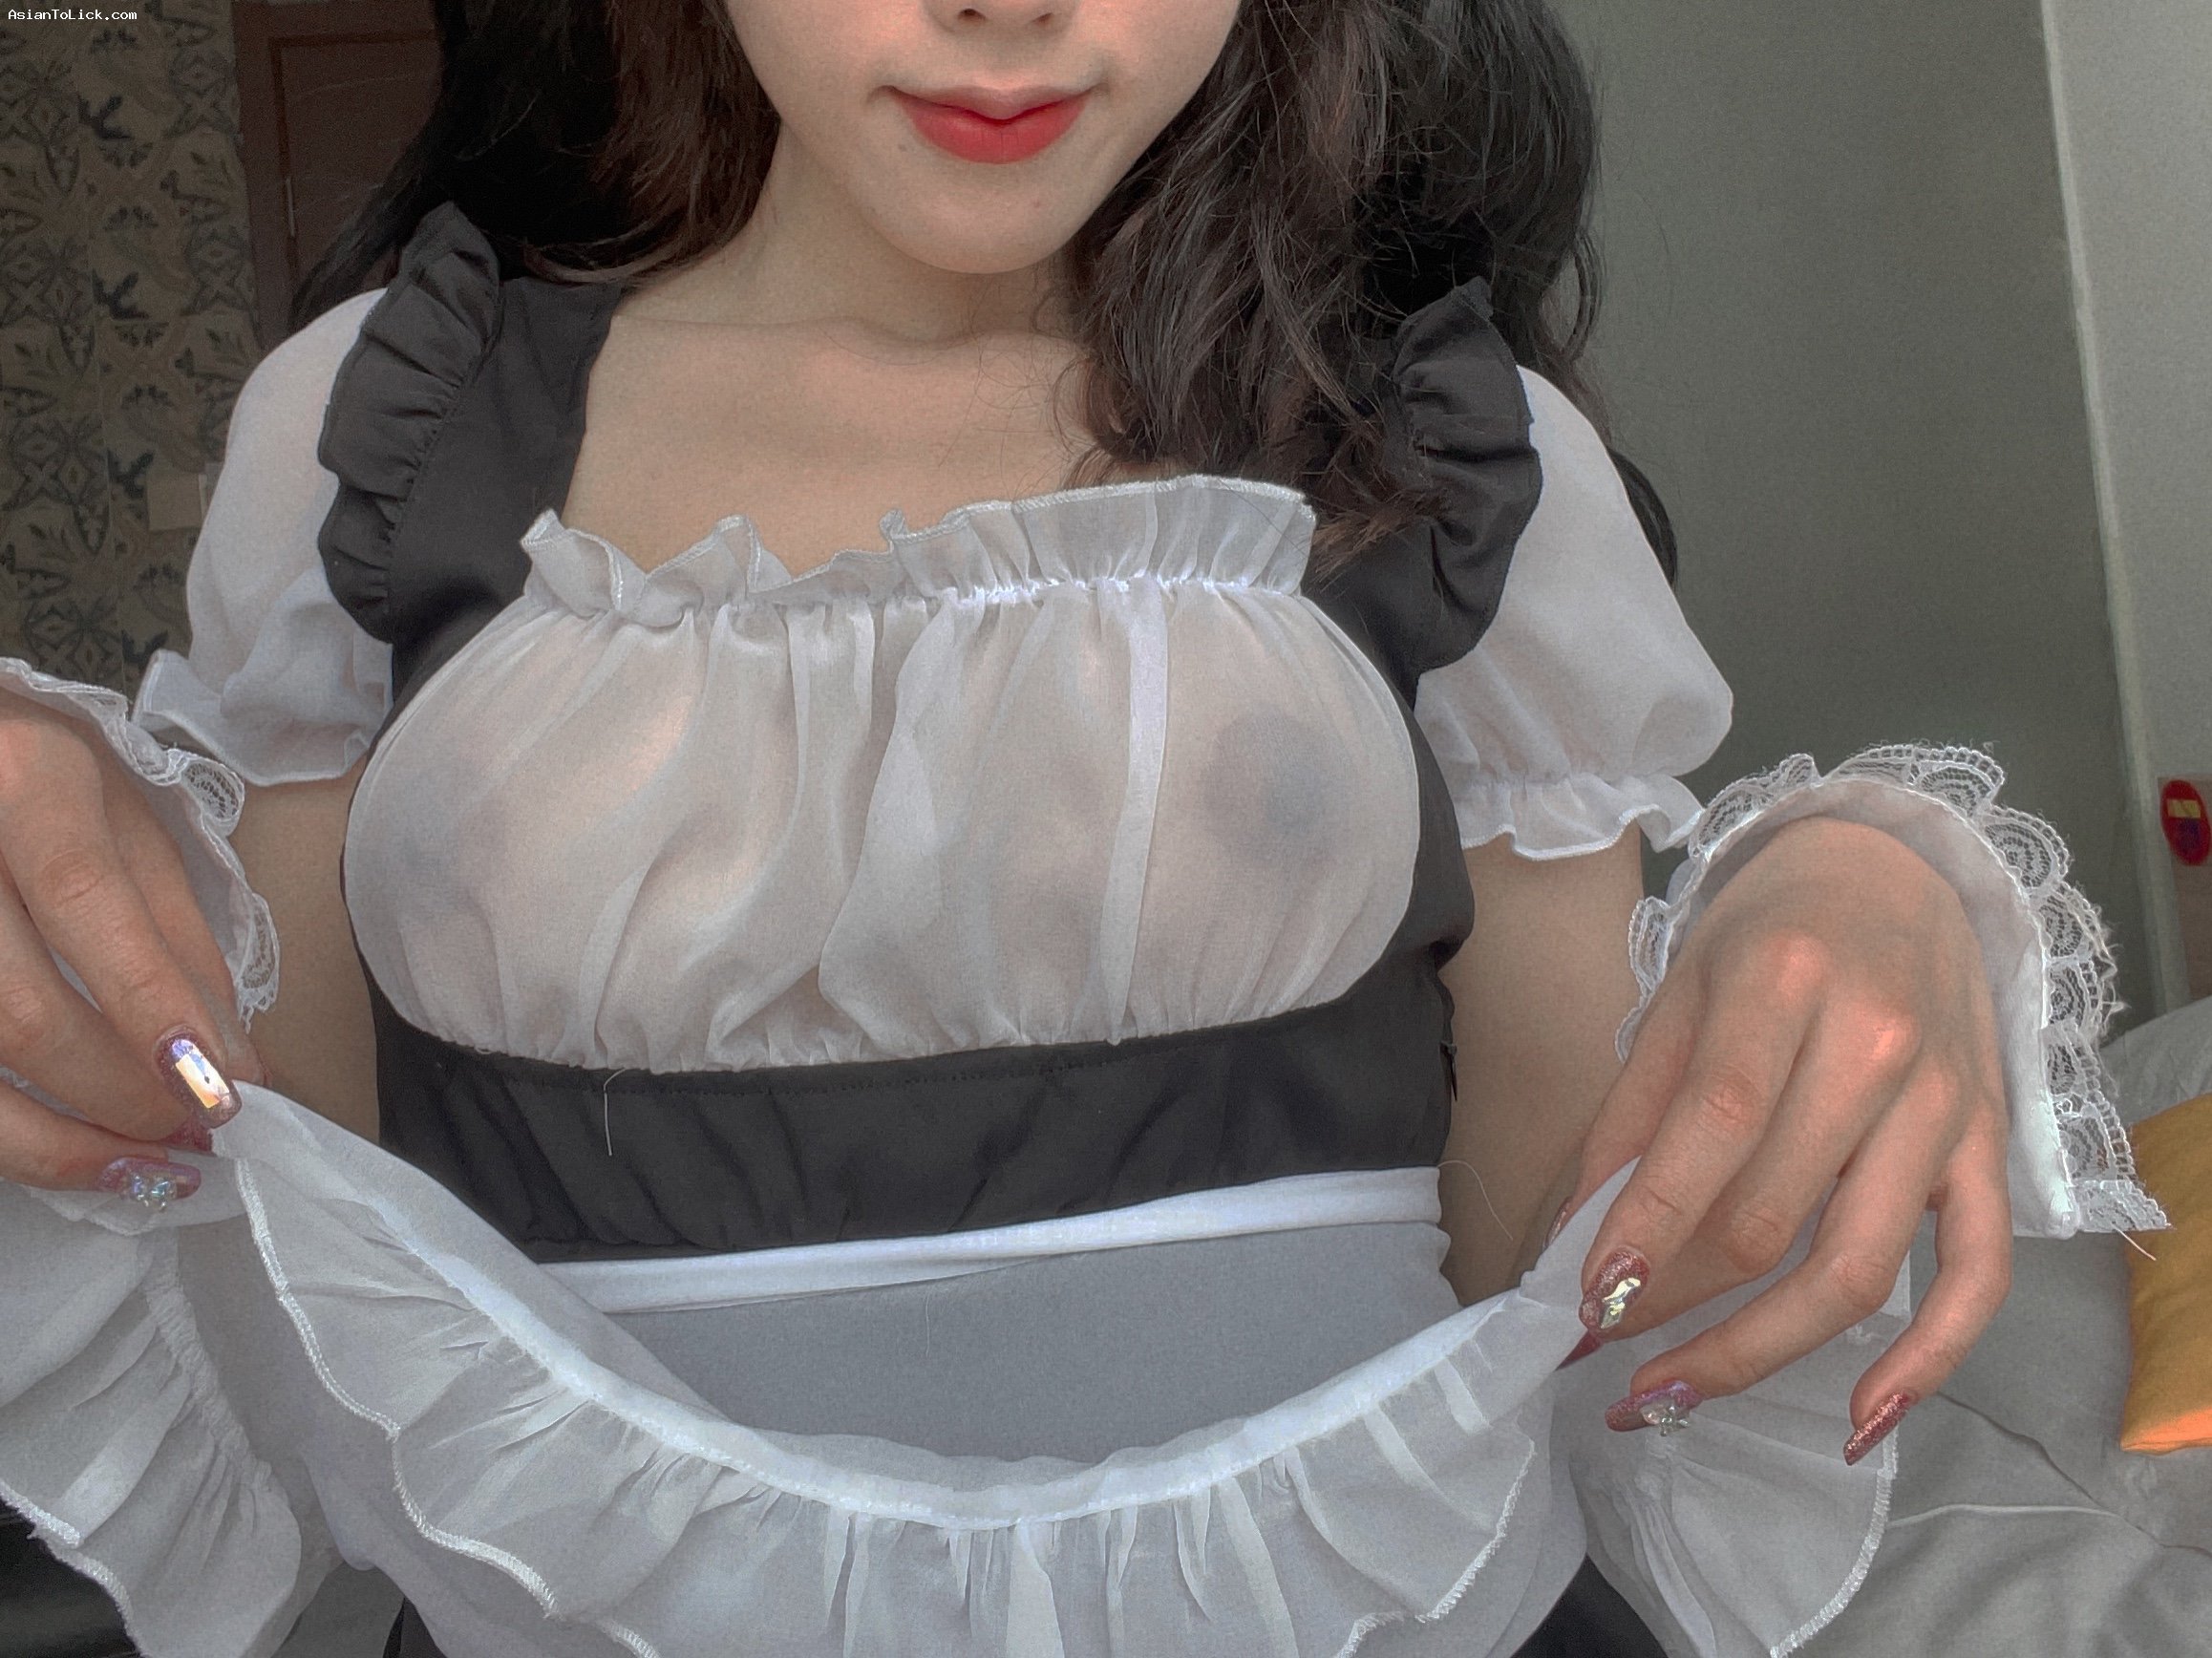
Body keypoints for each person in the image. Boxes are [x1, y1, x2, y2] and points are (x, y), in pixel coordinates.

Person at [0, 2, 2160, 1655]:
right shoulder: (378, 430)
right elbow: (286, 1231)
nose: (1008, 6)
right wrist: (56, 888)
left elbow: (1570, 1269)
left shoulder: (1438, 441)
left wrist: (1851, 885)